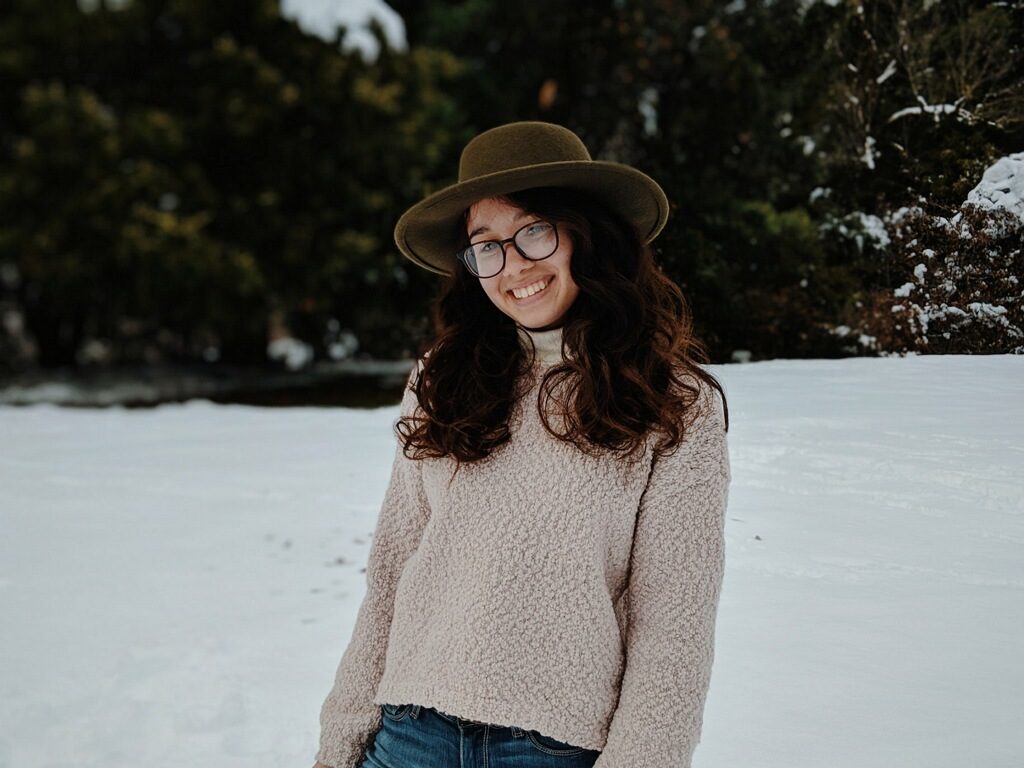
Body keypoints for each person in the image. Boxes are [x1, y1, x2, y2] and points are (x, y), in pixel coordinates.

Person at [313, 121, 732, 768]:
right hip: (408, 738)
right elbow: (392, 575)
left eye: (536, 230)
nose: (514, 267)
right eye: (487, 246)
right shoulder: (441, 379)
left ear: (588, 235)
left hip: (553, 750)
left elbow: (673, 628)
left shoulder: (672, 402)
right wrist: (338, 746)